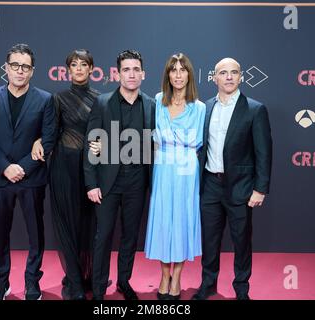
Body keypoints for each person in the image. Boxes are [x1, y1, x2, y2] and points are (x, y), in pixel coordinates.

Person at [0, 43, 56, 300]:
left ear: (32, 71)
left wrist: (22, 168)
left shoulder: (45, 99)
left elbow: (47, 139)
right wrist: (5, 167)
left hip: (31, 178)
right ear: (6, 68)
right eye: (15, 66)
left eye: (25, 67)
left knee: (36, 234)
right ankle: (1, 284)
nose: (20, 71)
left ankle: (32, 283)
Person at [192, 58, 272, 300]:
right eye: (223, 73)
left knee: (241, 242)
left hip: (241, 187)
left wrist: (260, 188)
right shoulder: (205, 107)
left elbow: (264, 152)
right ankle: (208, 284)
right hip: (210, 185)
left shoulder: (255, 109)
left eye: (233, 73)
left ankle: (241, 289)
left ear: (241, 77)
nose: (228, 77)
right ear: (214, 78)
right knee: (209, 239)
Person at [83, 50, 155, 300]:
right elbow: (92, 144)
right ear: (118, 74)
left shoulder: (151, 105)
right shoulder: (102, 103)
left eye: (136, 69)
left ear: (143, 74)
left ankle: (124, 281)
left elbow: (151, 145)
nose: (131, 74)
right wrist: (91, 183)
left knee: (130, 236)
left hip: (138, 181)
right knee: (103, 236)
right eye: (126, 69)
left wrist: (111, 145)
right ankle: (100, 287)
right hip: (107, 182)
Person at [31, 49, 101, 300]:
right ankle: (74, 281)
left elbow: (107, 134)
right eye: (74, 64)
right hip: (63, 169)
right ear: (68, 70)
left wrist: (105, 145)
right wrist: (38, 141)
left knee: (88, 225)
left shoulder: (101, 99)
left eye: (84, 64)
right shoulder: (57, 99)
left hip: (92, 172)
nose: (79, 68)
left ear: (92, 69)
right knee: (67, 226)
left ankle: (88, 275)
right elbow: (50, 133)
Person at [145, 53, 206, 300]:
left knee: (182, 218)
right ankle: (163, 275)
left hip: (185, 169)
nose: (178, 75)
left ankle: (177, 276)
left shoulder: (199, 108)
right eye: (173, 70)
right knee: (162, 219)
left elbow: (197, 141)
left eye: (183, 70)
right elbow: (151, 136)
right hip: (162, 166)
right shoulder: (158, 100)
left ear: (189, 74)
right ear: (167, 75)